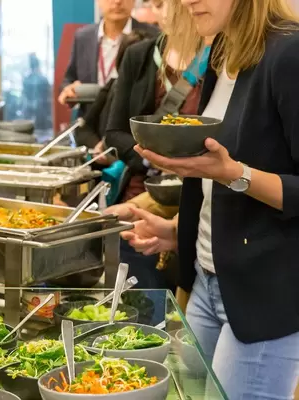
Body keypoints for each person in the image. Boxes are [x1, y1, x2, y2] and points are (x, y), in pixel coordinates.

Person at [121, 0, 299, 397]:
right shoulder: (221, 53)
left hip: (263, 292)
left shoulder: (289, 53)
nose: (188, 1)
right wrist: (173, 231)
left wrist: (234, 174)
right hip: (205, 279)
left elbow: (234, 171)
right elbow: (213, 181)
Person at [105, 0, 211, 202]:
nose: (165, 13)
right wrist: (153, 161)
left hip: (204, 187)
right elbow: (114, 133)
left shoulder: (220, 58)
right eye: (157, 4)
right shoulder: (138, 55)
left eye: (169, 3)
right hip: (145, 187)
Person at [57, 0, 159, 110]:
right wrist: (69, 89)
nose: (117, 1)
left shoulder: (152, 37)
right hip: (90, 120)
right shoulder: (83, 37)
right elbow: (69, 79)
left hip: (131, 120)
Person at [22, 53, 52, 131]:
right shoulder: (42, 79)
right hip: (38, 110)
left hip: (39, 110)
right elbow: (48, 95)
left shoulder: (28, 79)